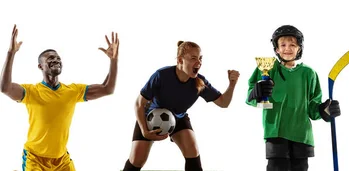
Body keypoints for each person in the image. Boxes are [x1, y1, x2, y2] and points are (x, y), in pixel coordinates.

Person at [0, 25, 120, 171]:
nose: (56, 60)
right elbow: (5, 88)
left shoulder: (73, 91)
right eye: (50, 58)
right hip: (35, 158)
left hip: (61, 160)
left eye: (58, 58)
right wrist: (11, 52)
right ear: (40, 66)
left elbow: (108, 89)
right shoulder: (31, 91)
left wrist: (114, 60)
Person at [122, 40, 240, 171]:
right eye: (193, 58)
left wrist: (232, 84)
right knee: (137, 160)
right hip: (150, 116)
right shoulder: (161, 76)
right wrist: (144, 130)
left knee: (192, 150)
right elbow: (139, 104)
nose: (199, 62)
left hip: (178, 117)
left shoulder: (200, 82)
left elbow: (224, 103)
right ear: (180, 60)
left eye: (200, 58)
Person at [245, 25, 342, 171]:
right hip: (276, 133)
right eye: (282, 45)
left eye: (292, 45)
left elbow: (313, 108)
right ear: (276, 49)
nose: (287, 48)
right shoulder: (268, 68)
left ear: (299, 48)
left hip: (302, 135)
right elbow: (250, 98)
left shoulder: (309, 73)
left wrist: (325, 110)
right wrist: (255, 93)